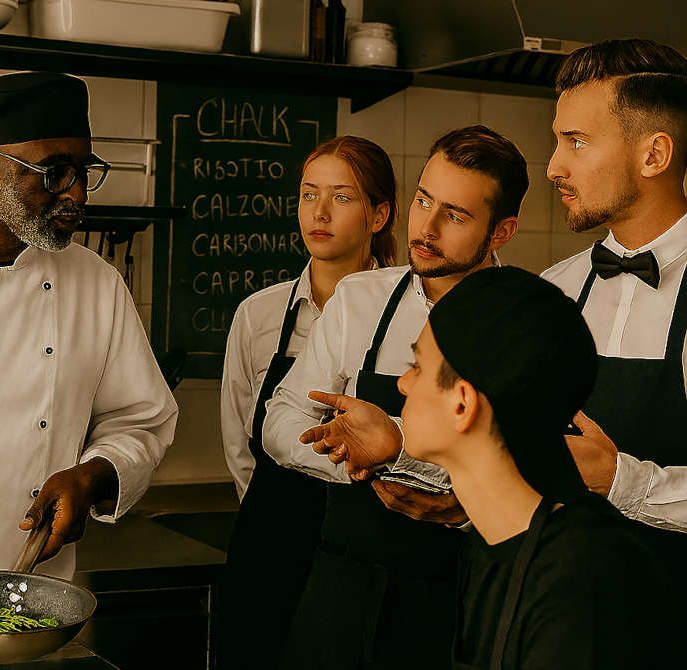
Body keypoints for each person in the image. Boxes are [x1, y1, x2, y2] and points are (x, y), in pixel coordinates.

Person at [0, 72, 178, 645]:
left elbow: (139, 419)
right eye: (53, 172)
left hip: (29, 611)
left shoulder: (96, 283)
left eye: (83, 171)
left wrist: (92, 475)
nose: (75, 194)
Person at [263, 125, 527, 669]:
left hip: (461, 590)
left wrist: (407, 460)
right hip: (341, 581)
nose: (425, 228)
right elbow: (281, 420)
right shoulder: (359, 300)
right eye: (423, 201)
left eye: (454, 215)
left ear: (502, 232)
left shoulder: (528, 323)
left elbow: (529, 473)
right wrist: (353, 459)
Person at [397, 266, 673, 669]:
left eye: (417, 366)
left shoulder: (583, 578)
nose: (403, 383)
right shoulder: (486, 545)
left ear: (462, 404)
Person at [218, 136, 398, 669]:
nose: (319, 213)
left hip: (368, 545)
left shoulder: (408, 315)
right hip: (269, 545)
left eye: (342, 197)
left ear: (379, 215)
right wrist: (276, 520)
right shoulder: (258, 315)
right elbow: (239, 443)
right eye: (308, 195)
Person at [542, 39, 687, 609]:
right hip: (557, 616)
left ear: (654, 156)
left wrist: (619, 479)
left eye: (576, 142)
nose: (554, 167)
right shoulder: (553, 291)